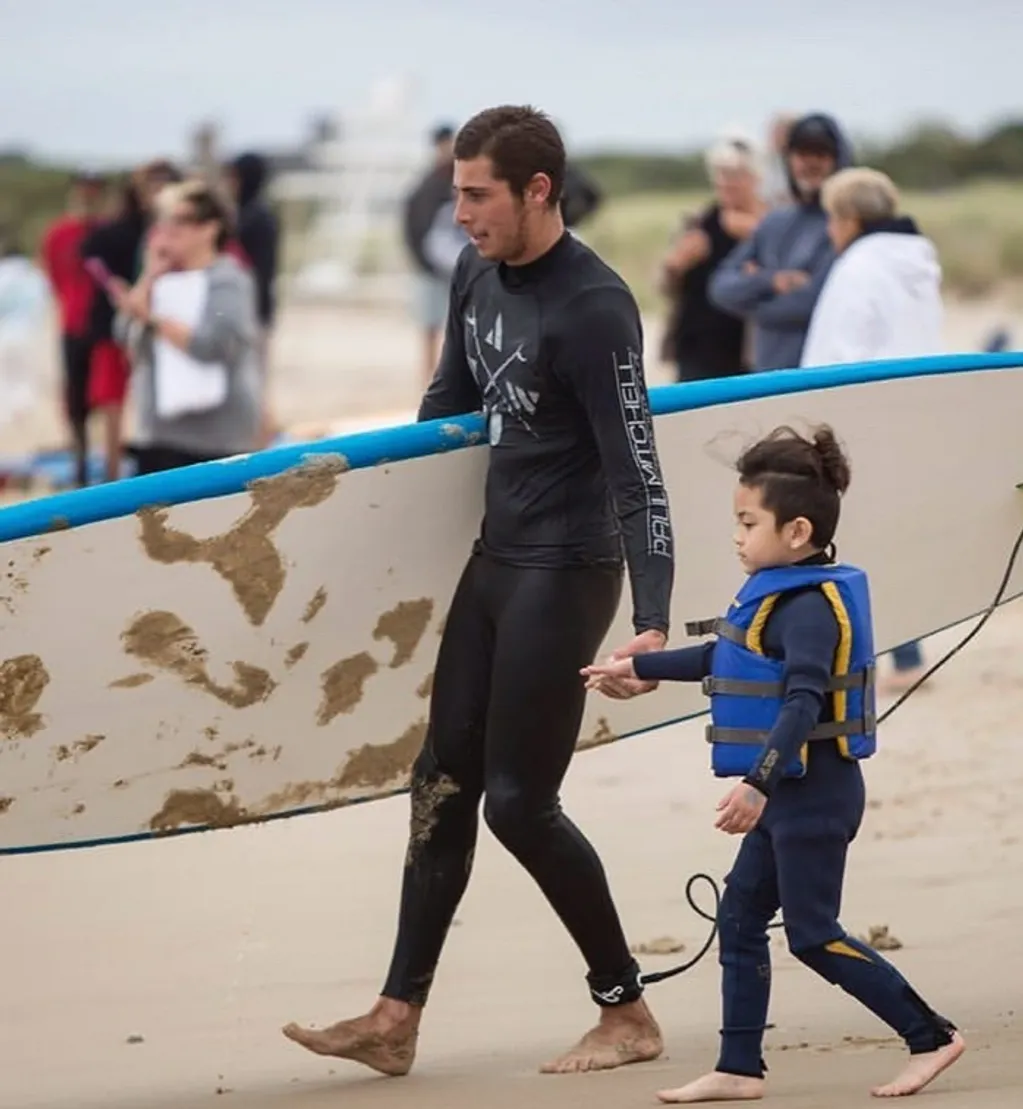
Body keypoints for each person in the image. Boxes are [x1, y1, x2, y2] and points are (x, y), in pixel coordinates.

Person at [283, 104, 674, 1077]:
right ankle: (395, 1014)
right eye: (455, 192)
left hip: (568, 567)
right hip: (497, 557)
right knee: (441, 780)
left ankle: (625, 1009)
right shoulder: (474, 273)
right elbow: (446, 407)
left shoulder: (593, 305)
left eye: (475, 194)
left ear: (537, 190)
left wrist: (654, 625)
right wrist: (368, 534)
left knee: (518, 801)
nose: (456, 213)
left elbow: (639, 472)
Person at [582, 424, 965, 1102]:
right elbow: (719, 658)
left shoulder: (807, 609)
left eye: (745, 520)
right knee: (738, 920)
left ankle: (931, 1035)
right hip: (785, 792)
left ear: (794, 532)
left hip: (811, 794)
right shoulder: (773, 595)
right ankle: (738, 1066)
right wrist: (635, 666)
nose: (735, 534)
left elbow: (800, 700)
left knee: (814, 934)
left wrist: (757, 784)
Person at [800, 166, 943, 694]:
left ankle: (876, 657)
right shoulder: (920, 263)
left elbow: (835, 351)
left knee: (855, 540)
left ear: (850, 218)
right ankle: (907, 651)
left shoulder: (858, 267)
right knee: (896, 535)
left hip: (862, 415)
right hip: (914, 411)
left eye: (832, 219)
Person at [111, 179, 262, 474]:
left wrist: (152, 319)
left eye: (183, 220)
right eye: (165, 220)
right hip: (158, 433)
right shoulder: (162, 279)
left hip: (215, 436)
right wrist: (149, 275)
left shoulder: (228, 280)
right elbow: (126, 338)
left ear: (211, 227)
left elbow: (216, 345)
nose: (170, 229)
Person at [708, 113, 854, 372]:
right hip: (769, 378)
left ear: (838, 160)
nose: (809, 163)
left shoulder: (846, 225)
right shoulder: (775, 222)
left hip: (824, 375)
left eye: (820, 154)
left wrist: (750, 298)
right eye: (801, 153)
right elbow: (720, 287)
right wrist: (772, 281)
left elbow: (814, 302)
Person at [659, 132, 767, 381]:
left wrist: (753, 234)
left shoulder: (772, 224)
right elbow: (666, 286)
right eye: (721, 174)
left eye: (736, 175)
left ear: (755, 178)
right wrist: (675, 266)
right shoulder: (700, 220)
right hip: (696, 350)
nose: (727, 183)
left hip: (747, 354)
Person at [39, 170, 107, 486]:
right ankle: (81, 464)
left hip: (104, 328)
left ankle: (106, 463)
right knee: (76, 399)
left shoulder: (106, 231)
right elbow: (53, 276)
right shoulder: (58, 234)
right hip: (72, 324)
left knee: (107, 396)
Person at [223, 151, 280, 445]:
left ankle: (260, 444)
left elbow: (255, 272)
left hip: (253, 312)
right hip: (257, 310)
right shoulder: (255, 214)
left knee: (253, 385)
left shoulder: (254, 218)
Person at [402, 123, 460, 389]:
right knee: (429, 327)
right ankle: (429, 380)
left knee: (455, 327)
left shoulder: (456, 178)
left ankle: (447, 378)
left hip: (457, 265)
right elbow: (412, 223)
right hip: (430, 268)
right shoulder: (428, 183)